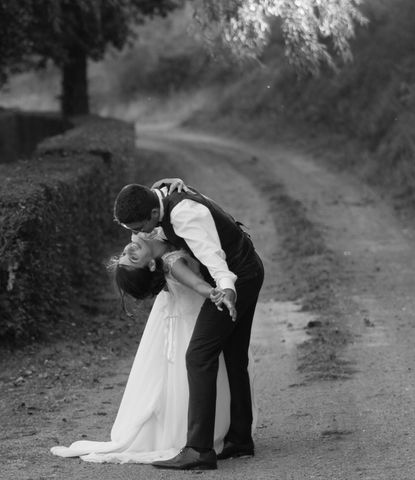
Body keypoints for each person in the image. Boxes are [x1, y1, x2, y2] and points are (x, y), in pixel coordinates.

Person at [50, 231, 253, 464]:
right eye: (132, 258)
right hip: (192, 325)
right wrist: (214, 292)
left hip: (180, 325)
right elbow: (197, 284)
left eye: (125, 254)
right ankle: (206, 433)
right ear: (152, 267)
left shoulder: (160, 251)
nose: (128, 249)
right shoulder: (172, 262)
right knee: (196, 376)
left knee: (178, 380)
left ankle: (208, 433)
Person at [113, 179, 265, 470]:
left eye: (137, 228)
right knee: (233, 357)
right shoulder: (165, 196)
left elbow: (212, 256)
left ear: (153, 215)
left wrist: (225, 289)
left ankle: (199, 450)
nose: (137, 235)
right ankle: (239, 440)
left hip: (236, 279)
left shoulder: (182, 213)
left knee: (198, 356)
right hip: (248, 270)